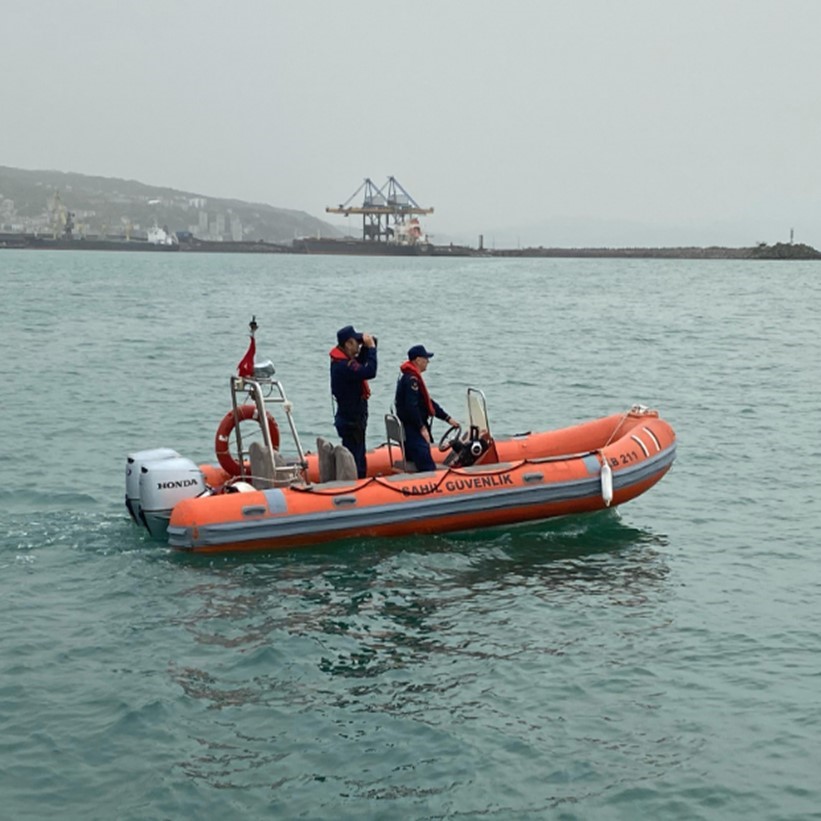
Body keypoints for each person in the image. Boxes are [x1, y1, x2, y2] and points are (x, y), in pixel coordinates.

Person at [395, 344, 459, 473]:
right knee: (427, 468)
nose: (428, 362)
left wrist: (447, 418)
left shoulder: (408, 377)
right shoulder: (412, 380)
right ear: (418, 360)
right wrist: (422, 428)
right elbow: (411, 407)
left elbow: (428, 403)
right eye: (426, 359)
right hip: (413, 431)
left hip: (409, 429)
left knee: (420, 461)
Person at [330, 325, 377, 478]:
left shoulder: (343, 362)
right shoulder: (344, 366)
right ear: (348, 344)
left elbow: (359, 364)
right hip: (352, 421)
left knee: (357, 456)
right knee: (356, 462)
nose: (358, 345)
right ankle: (355, 484)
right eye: (356, 342)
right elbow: (369, 371)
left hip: (350, 418)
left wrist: (367, 347)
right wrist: (372, 349)